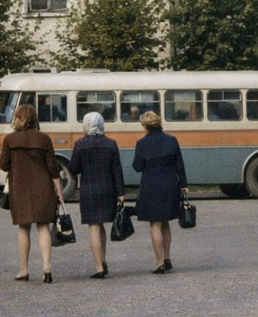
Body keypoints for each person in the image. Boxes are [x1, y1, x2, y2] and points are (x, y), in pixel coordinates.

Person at [0, 103, 64, 283]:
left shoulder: (10, 140)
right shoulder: (44, 139)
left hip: (20, 188)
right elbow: (53, 168)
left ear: (18, 119)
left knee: (23, 227)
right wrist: (59, 192)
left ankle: (24, 269)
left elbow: (3, 165)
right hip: (43, 187)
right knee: (43, 227)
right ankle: (46, 266)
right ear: (35, 119)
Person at [67, 112, 126, 279]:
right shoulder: (111, 144)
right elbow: (117, 170)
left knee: (94, 227)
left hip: (89, 191)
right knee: (102, 228)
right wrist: (121, 192)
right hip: (108, 189)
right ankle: (103, 260)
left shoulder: (80, 144)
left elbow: (74, 169)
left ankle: (99, 266)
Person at [132, 110, 188, 274]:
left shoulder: (142, 143)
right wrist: (183, 184)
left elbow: (138, 167)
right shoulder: (172, 140)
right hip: (171, 184)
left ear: (145, 125)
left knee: (155, 224)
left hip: (152, 185)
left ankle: (158, 262)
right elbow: (179, 164)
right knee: (166, 221)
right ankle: (167, 257)